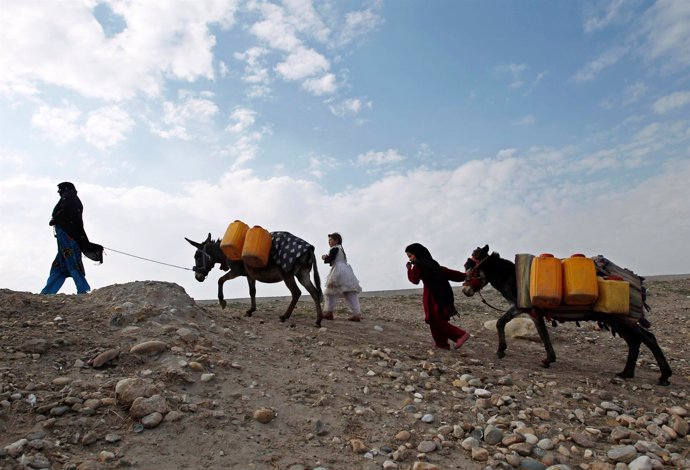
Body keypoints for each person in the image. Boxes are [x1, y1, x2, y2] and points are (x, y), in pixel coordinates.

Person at [40, 182, 103, 295]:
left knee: (72, 262)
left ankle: (82, 289)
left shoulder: (68, 197)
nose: (59, 192)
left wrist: (55, 219)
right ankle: (47, 292)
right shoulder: (72, 198)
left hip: (68, 237)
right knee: (59, 265)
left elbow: (66, 211)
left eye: (60, 190)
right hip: (65, 238)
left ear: (66, 189)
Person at [405, 242, 470, 350]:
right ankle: (442, 344)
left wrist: (409, 269)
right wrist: (464, 276)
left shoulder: (418, 266)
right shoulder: (433, 264)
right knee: (435, 319)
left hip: (432, 296)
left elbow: (414, 280)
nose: (410, 259)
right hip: (443, 295)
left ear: (417, 253)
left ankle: (460, 335)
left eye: (410, 256)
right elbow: (448, 272)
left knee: (435, 319)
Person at [321, 232, 363, 322]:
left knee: (330, 291)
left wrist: (325, 257)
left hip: (338, 270)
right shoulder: (341, 249)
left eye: (330, 240)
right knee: (350, 292)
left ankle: (329, 312)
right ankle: (356, 313)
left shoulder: (334, 248)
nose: (329, 242)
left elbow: (330, 259)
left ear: (336, 240)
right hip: (346, 270)